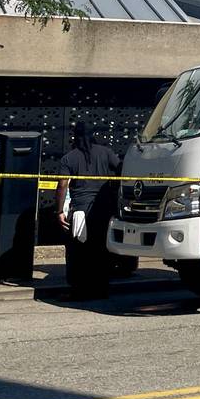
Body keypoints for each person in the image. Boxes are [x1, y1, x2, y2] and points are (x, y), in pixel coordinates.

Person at [55, 123, 121, 300]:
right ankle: (101, 289)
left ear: (74, 137)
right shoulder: (106, 152)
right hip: (104, 208)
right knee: (102, 250)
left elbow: (62, 185)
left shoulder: (69, 158)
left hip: (80, 210)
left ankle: (79, 290)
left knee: (78, 252)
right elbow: (120, 169)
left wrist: (59, 210)